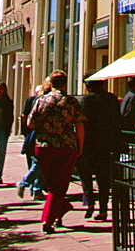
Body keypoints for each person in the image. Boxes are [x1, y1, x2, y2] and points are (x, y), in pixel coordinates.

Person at [28, 68, 85, 234]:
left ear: (51, 83)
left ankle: (58, 213)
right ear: (65, 84)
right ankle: (48, 219)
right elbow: (80, 125)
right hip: (66, 146)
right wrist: (80, 146)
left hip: (44, 147)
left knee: (51, 185)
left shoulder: (40, 101)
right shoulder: (71, 101)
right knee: (59, 187)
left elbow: (30, 123)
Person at [78, 77, 122, 221]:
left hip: (90, 144)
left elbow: (81, 123)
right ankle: (103, 209)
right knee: (104, 179)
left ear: (88, 86)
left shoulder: (86, 101)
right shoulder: (112, 99)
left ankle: (90, 201)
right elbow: (118, 120)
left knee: (85, 174)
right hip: (107, 144)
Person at [17, 81, 49, 199]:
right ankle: (27, 184)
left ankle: (36, 189)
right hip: (39, 137)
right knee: (37, 163)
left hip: (40, 137)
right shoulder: (39, 101)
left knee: (40, 164)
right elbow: (28, 119)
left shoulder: (39, 101)